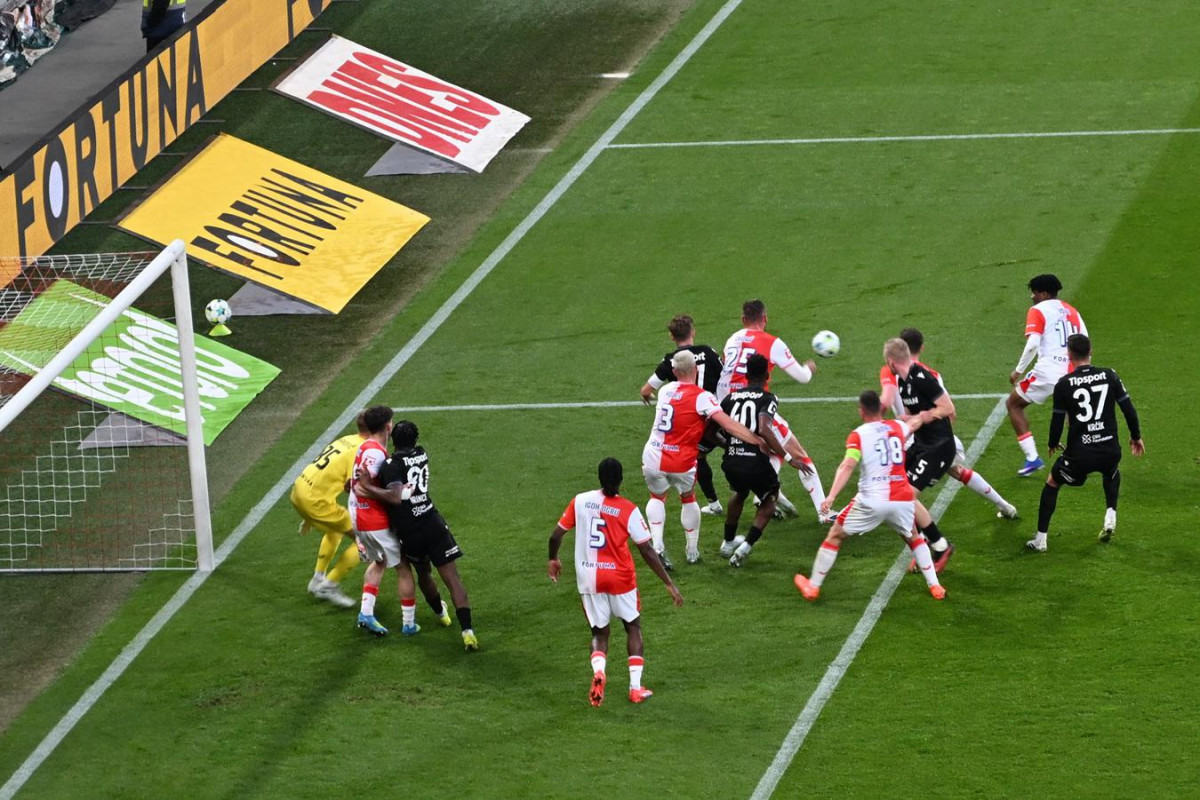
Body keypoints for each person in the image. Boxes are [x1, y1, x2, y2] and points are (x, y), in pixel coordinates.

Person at [548, 457, 683, 706]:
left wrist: (553, 559)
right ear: (620, 480)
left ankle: (599, 671)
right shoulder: (628, 510)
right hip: (620, 579)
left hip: (589, 577)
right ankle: (635, 688)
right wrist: (668, 583)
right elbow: (647, 551)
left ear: (599, 478)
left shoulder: (580, 501)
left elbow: (556, 535)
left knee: (599, 632)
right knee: (632, 626)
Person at [794, 391, 946, 601]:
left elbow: (848, 465)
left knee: (835, 535)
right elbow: (913, 424)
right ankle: (935, 586)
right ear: (881, 409)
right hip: (902, 498)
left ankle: (813, 586)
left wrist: (830, 497)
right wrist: (928, 414)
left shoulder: (858, 435)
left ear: (861, 411)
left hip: (871, 500)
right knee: (914, 538)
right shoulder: (897, 427)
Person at [355, 421, 479, 650]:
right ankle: (467, 631)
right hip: (433, 522)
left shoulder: (391, 465)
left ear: (393, 440)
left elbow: (393, 497)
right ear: (415, 440)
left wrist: (366, 485)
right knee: (452, 578)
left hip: (410, 529)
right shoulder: (422, 454)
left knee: (424, 573)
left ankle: (441, 613)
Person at [880, 328, 1017, 520]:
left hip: (920, 439)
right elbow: (951, 414)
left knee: (899, 486)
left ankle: (925, 538)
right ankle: (1004, 505)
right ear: (922, 347)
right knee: (957, 472)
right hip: (921, 436)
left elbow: (945, 409)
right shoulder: (933, 374)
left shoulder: (893, 371)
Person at [643, 350, 763, 568]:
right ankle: (691, 552)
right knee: (688, 498)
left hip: (652, 456)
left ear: (673, 372)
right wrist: (754, 440)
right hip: (681, 461)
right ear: (695, 370)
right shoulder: (702, 397)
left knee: (657, 497)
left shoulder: (666, 391)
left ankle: (658, 546)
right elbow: (727, 424)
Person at [1027, 334, 1144, 552]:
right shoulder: (1110, 375)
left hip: (1080, 455)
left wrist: (1053, 442)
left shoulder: (1063, 384)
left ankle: (1040, 540)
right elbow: (1128, 409)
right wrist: (1136, 436)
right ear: (1091, 351)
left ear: (1069, 355)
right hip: (1109, 448)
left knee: (1053, 481)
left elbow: (1057, 419)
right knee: (1111, 471)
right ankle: (1110, 514)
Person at [640, 314, 725, 516]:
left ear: (672, 336)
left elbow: (645, 390)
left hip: (694, 422)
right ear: (693, 332)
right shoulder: (708, 352)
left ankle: (713, 503)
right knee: (741, 449)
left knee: (699, 456)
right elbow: (725, 377)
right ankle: (766, 495)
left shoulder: (671, 361)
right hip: (716, 414)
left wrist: (657, 400)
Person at [882, 338, 955, 570]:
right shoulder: (902, 383)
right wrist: (902, 428)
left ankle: (941, 546)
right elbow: (914, 418)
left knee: (905, 496)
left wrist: (923, 417)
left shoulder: (923, 378)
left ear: (891, 362)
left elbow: (948, 408)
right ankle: (924, 547)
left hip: (939, 446)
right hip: (922, 444)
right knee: (892, 491)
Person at [1006, 274, 1088, 476]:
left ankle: (1032, 458)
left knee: (1014, 404)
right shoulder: (1072, 310)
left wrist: (1018, 370)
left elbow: (1033, 343)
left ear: (1043, 293)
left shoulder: (1037, 310)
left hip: (1049, 370)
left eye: (1034, 293)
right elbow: (1085, 342)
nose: (1032, 297)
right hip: (1074, 369)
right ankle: (1081, 460)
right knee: (1073, 416)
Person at [717, 354, 793, 567]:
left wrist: (729, 444)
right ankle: (745, 547)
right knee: (770, 499)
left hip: (731, 460)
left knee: (739, 492)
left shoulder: (729, 399)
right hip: (755, 461)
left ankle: (728, 542)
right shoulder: (768, 398)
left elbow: (711, 431)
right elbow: (764, 428)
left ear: (746, 375)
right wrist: (787, 456)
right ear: (767, 375)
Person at [290, 412, 367, 608]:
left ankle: (317, 579)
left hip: (300, 490)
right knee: (366, 539)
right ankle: (329, 584)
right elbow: (354, 485)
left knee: (335, 529)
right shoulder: (361, 449)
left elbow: (327, 473)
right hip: (316, 502)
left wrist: (308, 514)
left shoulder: (346, 439)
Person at [348, 406, 409, 637]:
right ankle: (409, 623)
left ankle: (366, 613)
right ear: (388, 426)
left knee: (379, 560)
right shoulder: (376, 453)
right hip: (372, 518)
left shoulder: (364, 446)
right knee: (402, 564)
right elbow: (363, 487)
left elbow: (356, 482)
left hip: (359, 515)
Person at [715, 299, 817, 402]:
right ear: (765, 318)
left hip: (722, 400)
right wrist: (808, 368)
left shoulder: (732, 339)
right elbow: (803, 377)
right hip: (751, 400)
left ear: (743, 319)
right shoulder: (773, 343)